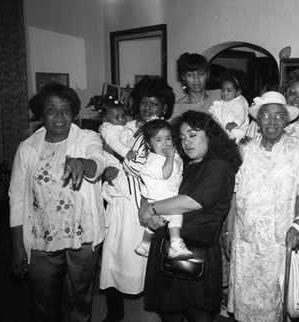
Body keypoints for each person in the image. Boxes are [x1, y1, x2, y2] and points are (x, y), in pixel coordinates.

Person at [9, 83, 106, 321]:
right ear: (41, 116)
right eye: (51, 109)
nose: (60, 115)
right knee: (42, 303)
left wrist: (84, 164)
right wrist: (18, 247)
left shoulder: (87, 138)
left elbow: (98, 161)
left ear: (74, 113)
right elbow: (17, 199)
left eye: (65, 109)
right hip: (41, 236)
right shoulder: (27, 149)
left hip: (83, 236)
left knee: (80, 300)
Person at [138, 110, 242, 322]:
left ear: (210, 135)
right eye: (182, 138)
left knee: (198, 313)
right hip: (168, 244)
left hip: (196, 250)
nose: (186, 142)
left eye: (193, 134)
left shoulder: (218, 166)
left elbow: (191, 201)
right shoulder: (183, 163)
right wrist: (147, 209)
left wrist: (153, 208)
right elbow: (155, 189)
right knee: (169, 312)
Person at [224, 91, 299, 321]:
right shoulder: (243, 151)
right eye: (266, 115)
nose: (272, 121)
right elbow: (233, 194)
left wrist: (298, 222)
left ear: (286, 121)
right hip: (246, 240)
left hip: (281, 239)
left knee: (277, 300)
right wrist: (229, 230)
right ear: (257, 120)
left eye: (278, 116)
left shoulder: (297, 150)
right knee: (247, 298)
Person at [99, 76, 175, 322]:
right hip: (122, 202)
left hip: (151, 204)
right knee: (114, 258)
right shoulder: (124, 127)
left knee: (155, 263)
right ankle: (114, 311)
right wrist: (107, 173)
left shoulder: (167, 133)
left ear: (164, 107)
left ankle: (163, 312)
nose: (149, 108)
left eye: (155, 103)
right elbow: (105, 154)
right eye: (144, 102)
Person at [135, 119, 191, 259]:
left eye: (168, 138)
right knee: (176, 216)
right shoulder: (154, 161)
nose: (165, 143)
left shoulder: (171, 156)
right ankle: (176, 244)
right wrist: (170, 157)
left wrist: (173, 157)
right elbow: (165, 174)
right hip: (159, 199)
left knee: (156, 224)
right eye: (158, 140)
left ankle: (144, 245)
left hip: (164, 198)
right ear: (149, 144)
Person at [244, 69, 299, 143]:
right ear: (284, 93)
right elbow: (247, 147)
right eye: (292, 92)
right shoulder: (261, 119)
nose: (297, 98)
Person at [171, 53, 221, 119]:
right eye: (190, 75)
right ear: (183, 77)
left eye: (201, 74)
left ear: (207, 74)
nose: (196, 80)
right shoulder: (178, 108)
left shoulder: (219, 96)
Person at [208, 72, 249, 142]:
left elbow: (241, 117)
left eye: (228, 90)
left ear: (238, 92)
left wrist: (234, 124)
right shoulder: (225, 102)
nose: (224, 93)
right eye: (223, 90)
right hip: (225, 131)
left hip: (236, 131)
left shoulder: (238, 103)